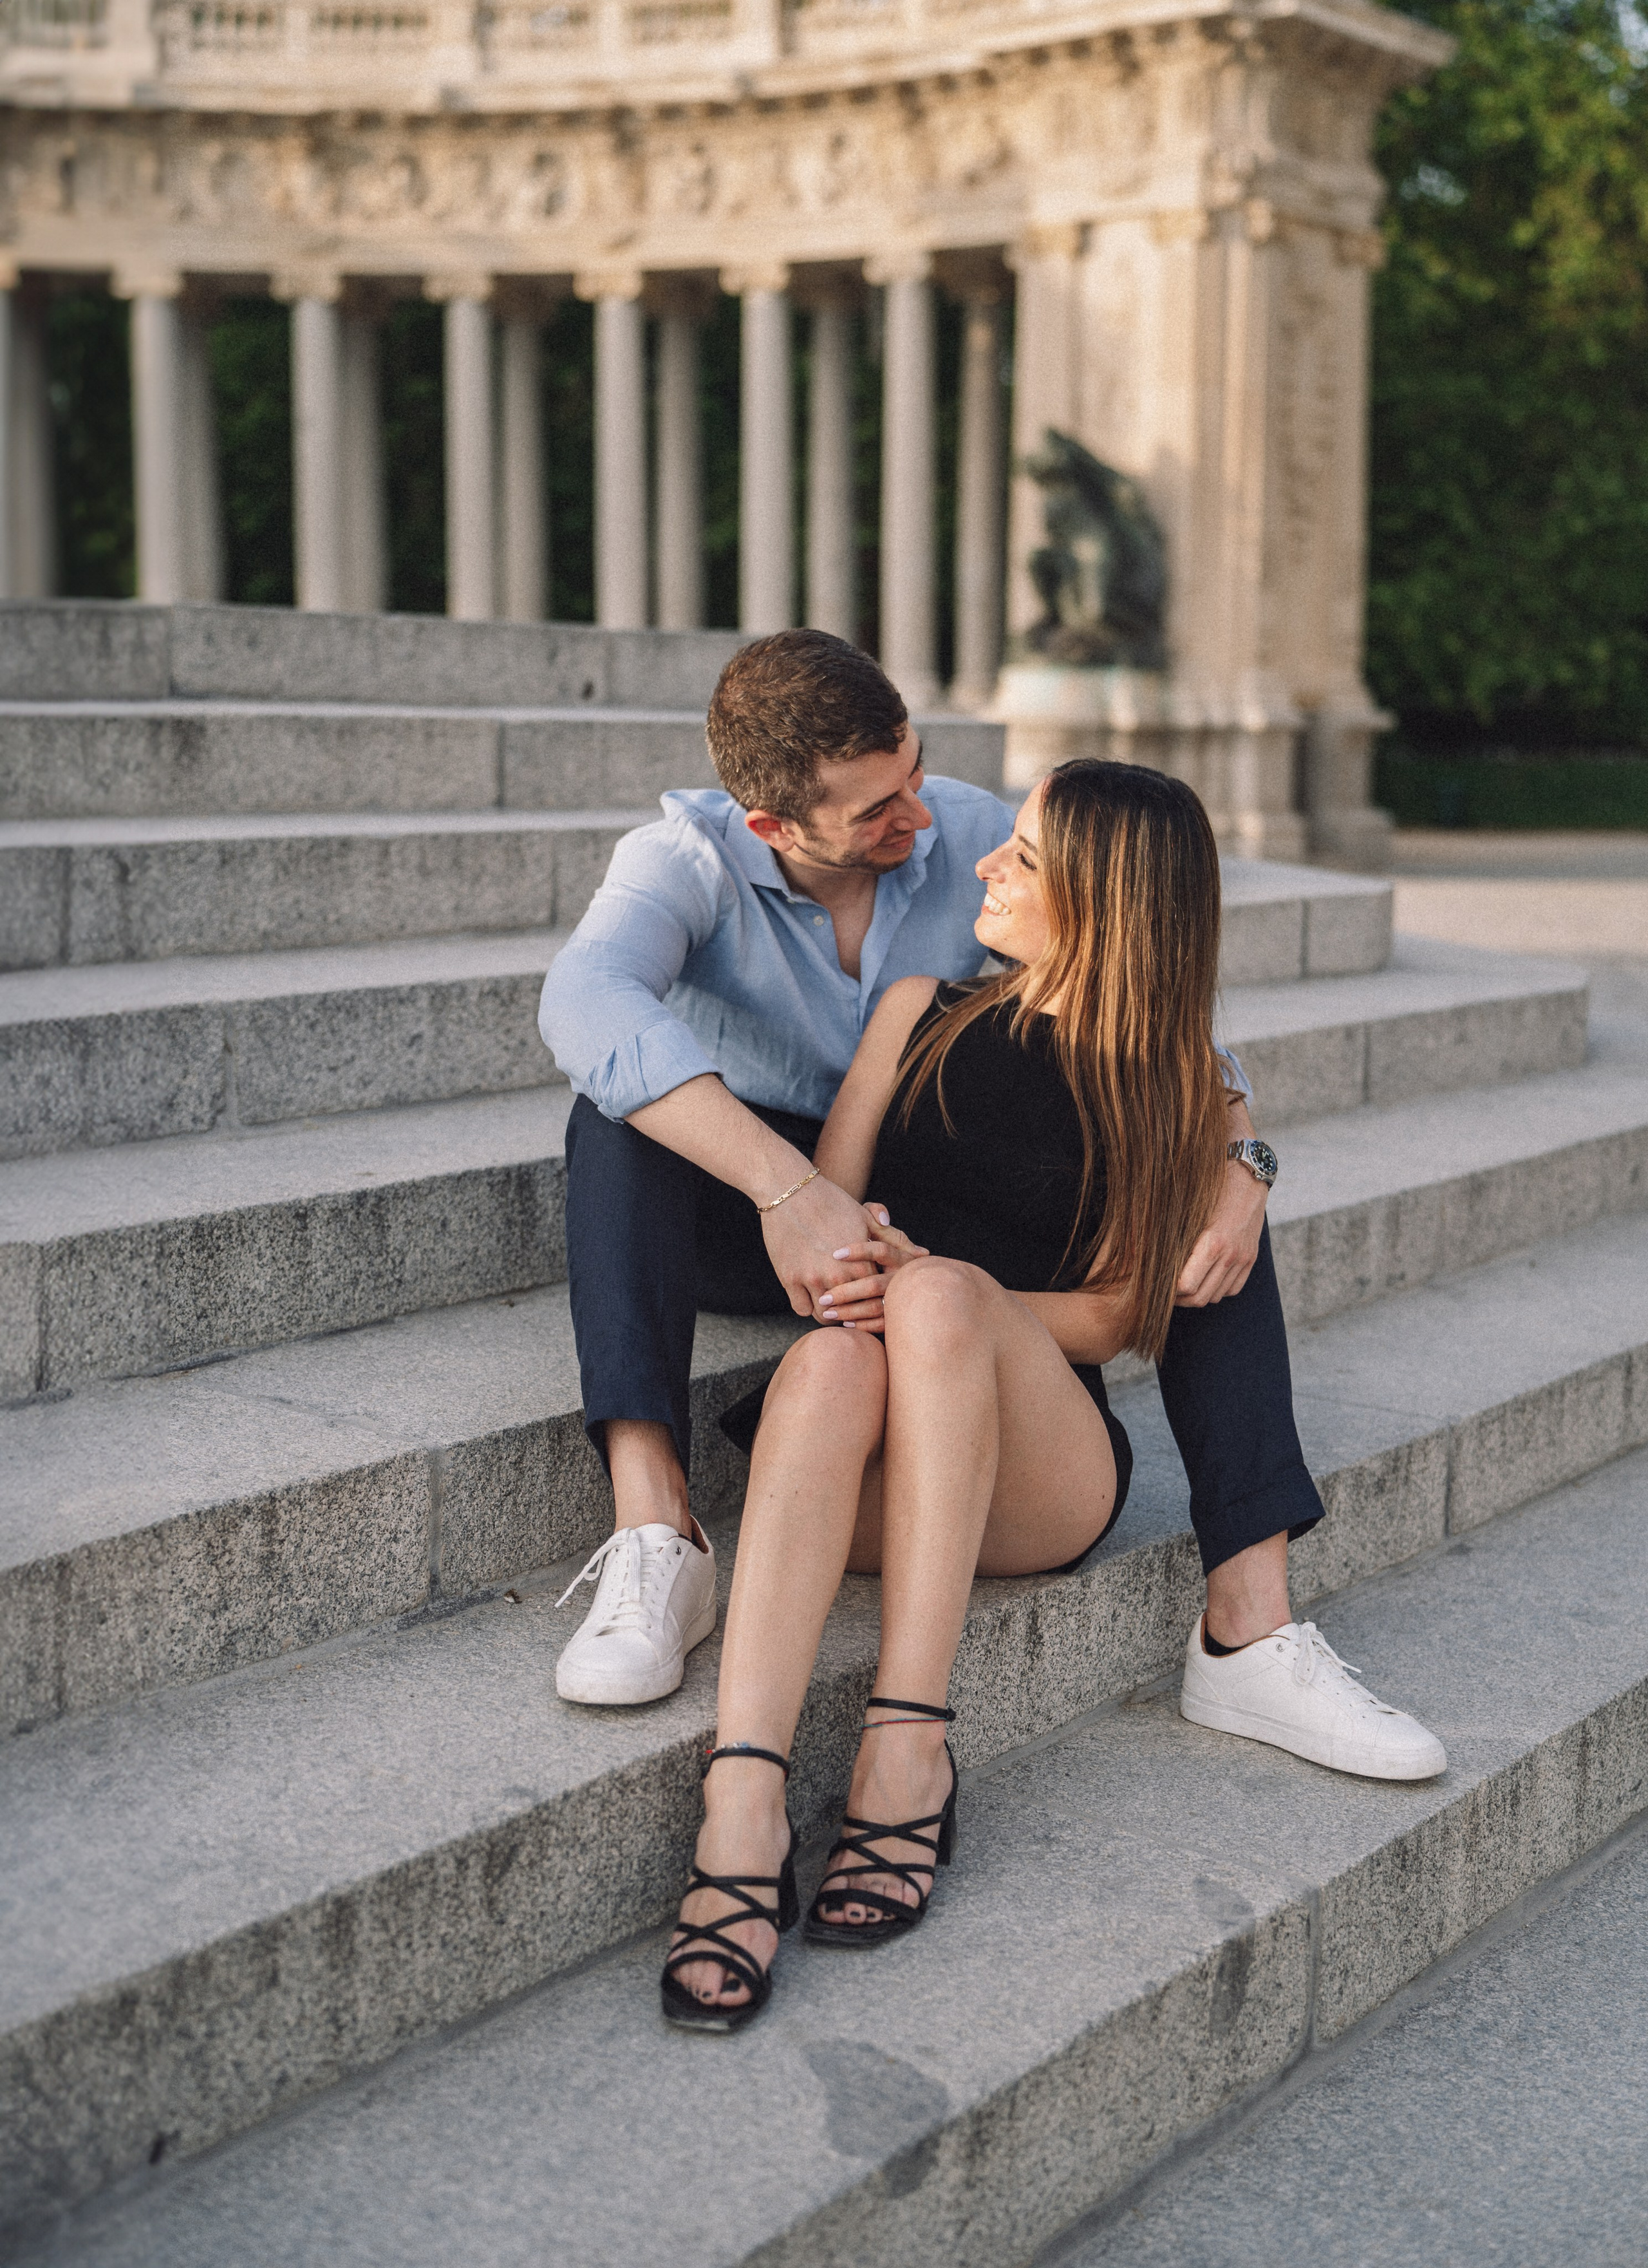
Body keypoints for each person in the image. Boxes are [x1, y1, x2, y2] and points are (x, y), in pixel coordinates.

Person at [537, 631, 1437, 1781]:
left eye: (914, 774)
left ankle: (1251, 1621)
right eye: (875, 811)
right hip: (754, 1185)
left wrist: (1245, 1159)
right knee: (616, 1112)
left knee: (1208, 1210)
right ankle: (655, 1525)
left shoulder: (963, 831)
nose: (921, 822)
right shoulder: (687, 861)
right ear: (775, 826)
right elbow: (586, 999)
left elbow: (1139, 986)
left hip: (925, 1217)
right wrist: (788, 1187)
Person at [656, 760, 1445, 2028]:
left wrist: (935, 1286)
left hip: (1038, 1466)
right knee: (834, 1351)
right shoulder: (915, 1006)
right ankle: (740, 1802)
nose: (980, 867)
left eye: (1018, 859)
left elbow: (1118, 1318)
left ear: (1098, 900)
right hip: (856, 1444)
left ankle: (904, 1744)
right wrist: (877, 1269)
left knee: (939, 1299)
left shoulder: (1168, 1085)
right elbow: (831, 1205)